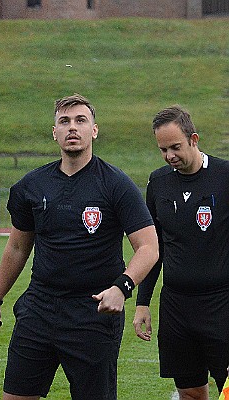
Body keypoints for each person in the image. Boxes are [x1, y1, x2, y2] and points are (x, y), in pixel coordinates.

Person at [0, 93, 159, 400]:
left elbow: (148, 247)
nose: (72, 128)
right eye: (64, 121)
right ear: (54, 132)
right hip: (39, 308)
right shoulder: (32, 185)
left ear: (94, 130)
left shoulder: (116, 184)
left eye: (80, 120)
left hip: (93, 312)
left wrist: (122, 287)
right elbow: (17, 249)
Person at [133, 105, 229, 400]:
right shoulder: (158, 182)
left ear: (194, 139)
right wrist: (143, 302)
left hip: (221, 304)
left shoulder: (225, 176)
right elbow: (153, 248)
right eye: (163, 150)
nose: (169, 155)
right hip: (176, 308)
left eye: (175, 147)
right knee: (189, 392)